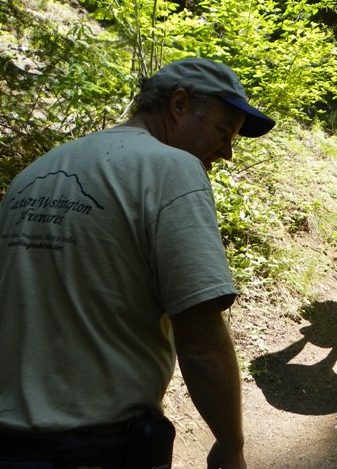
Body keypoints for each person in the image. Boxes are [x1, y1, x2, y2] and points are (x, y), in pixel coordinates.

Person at [0, 57, 275, 469]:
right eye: (223, 132)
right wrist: (230, 444)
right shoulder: (172, 168)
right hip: (99, 448)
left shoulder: (37, 170)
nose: (228, 153)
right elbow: (200, 341)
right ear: (179, 104)